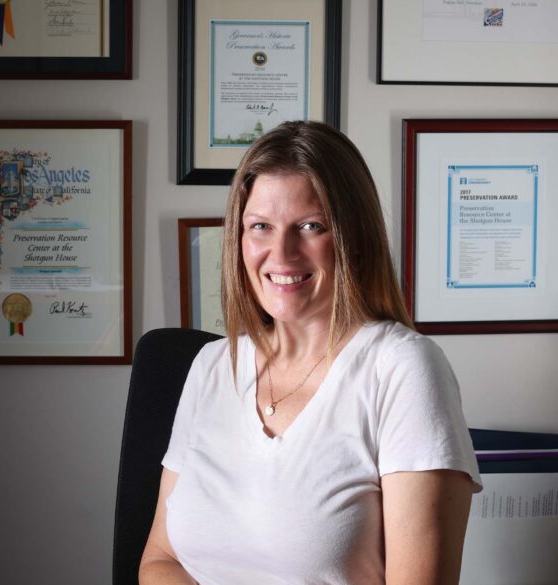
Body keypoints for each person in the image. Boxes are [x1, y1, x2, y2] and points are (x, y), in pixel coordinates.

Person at [140, 120, 482, 585]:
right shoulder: (212, 365)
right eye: (260, 226)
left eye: (310, 226)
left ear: (353, 239)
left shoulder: (402, 368)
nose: (281, 253)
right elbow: (161, 560)